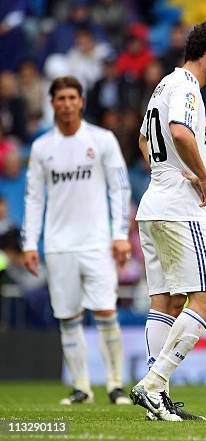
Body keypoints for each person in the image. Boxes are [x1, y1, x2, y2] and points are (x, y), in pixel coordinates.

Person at [129, 21, 206, 422]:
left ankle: (158, 402)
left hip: (154, 204)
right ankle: (153, 384)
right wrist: (201, 175)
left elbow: (144, 139)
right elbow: (180, 132)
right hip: (180, 209)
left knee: (166, 302)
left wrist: (162, 172)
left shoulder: (163, 86)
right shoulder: (187, 88)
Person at [21, 76, 132, 405]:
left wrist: (120, 235)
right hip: (58, 244)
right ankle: (82, 387)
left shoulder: (102, 140)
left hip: (97, 242)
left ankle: (115, 385)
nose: (67, 104)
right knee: (68, 317)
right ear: (52, 103)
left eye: (72, 97)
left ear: (81, 101)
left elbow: (120, 188)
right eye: (60, 98)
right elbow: (33, 198)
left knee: (105, 311)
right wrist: (30, 243)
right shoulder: (42, 148)